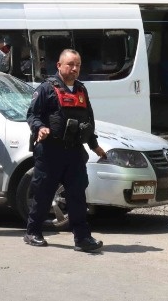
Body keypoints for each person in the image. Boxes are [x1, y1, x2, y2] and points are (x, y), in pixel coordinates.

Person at [23, 49, 107, 252]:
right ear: (59, 66)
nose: (75, 69)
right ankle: (33, 231)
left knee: (77, 195)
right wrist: (39, 128)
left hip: (74, 152)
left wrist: (94, 145)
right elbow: (32, 115)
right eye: (70, 64)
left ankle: (82, 238)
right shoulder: (46, 89)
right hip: (50, 151)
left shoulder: (81, 90)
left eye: (78, 64)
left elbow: (88, 120)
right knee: (43, 192)